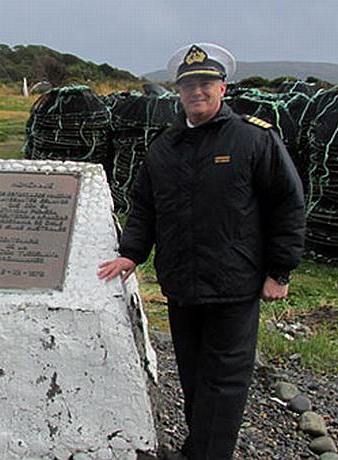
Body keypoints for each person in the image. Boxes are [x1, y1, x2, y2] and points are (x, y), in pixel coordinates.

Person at [98, 44, 305, 459]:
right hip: (183, 285)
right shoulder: (163, 148)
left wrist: (279, 271)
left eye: (206, 83)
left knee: (225, 381)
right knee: (194, 376)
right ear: (178, 91)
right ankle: (198, 449)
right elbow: (145, 206)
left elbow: (288, 202)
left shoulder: (253, 139)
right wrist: (131, 253)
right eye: (189, 84)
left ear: (222, 88)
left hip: (234, 283)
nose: (197, 92)